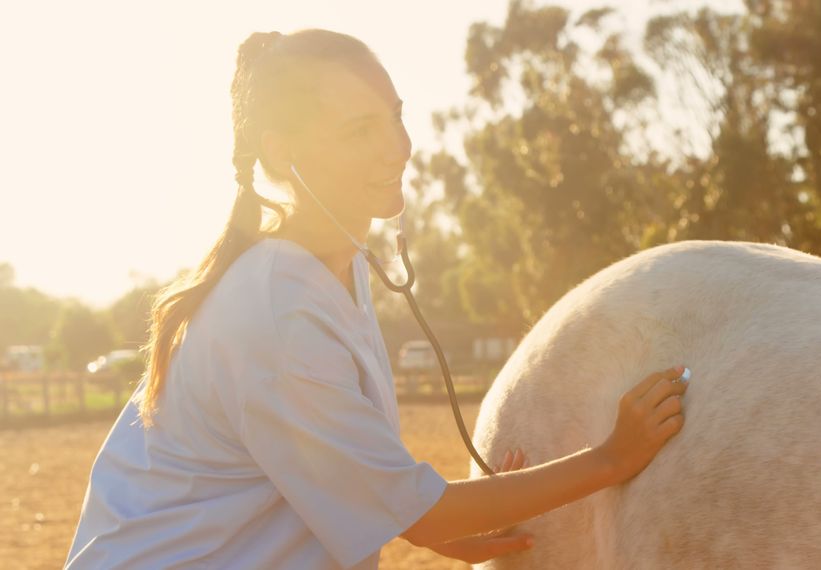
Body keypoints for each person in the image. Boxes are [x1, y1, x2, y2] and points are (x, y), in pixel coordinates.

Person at [64, 28, 689, 569]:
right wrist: (612, 457)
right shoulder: (277, 311)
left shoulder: (340, 269)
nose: (399, 148)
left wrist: (421, 522)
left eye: (395, 115)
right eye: (361, 130)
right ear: (282, 150)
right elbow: (424, 513)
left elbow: (339, 474)